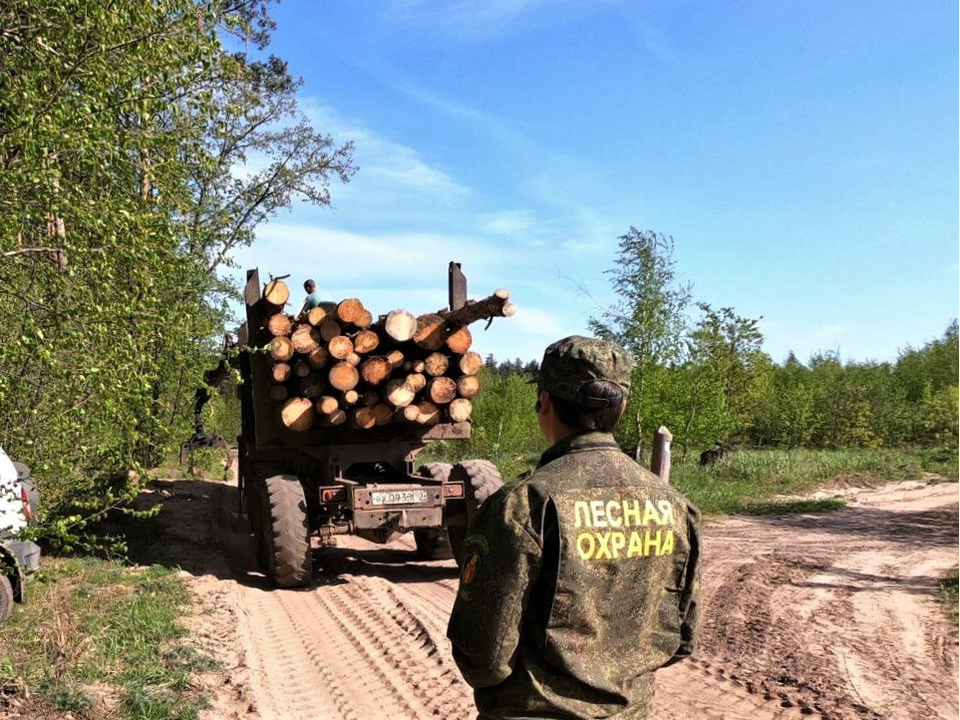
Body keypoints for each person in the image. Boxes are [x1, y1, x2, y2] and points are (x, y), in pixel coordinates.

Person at [447, 335, 702, 720]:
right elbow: (682, 640)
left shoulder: (524, 503)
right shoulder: (675, 505)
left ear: (545, 401)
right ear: (623, 406)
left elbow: (484, 655)